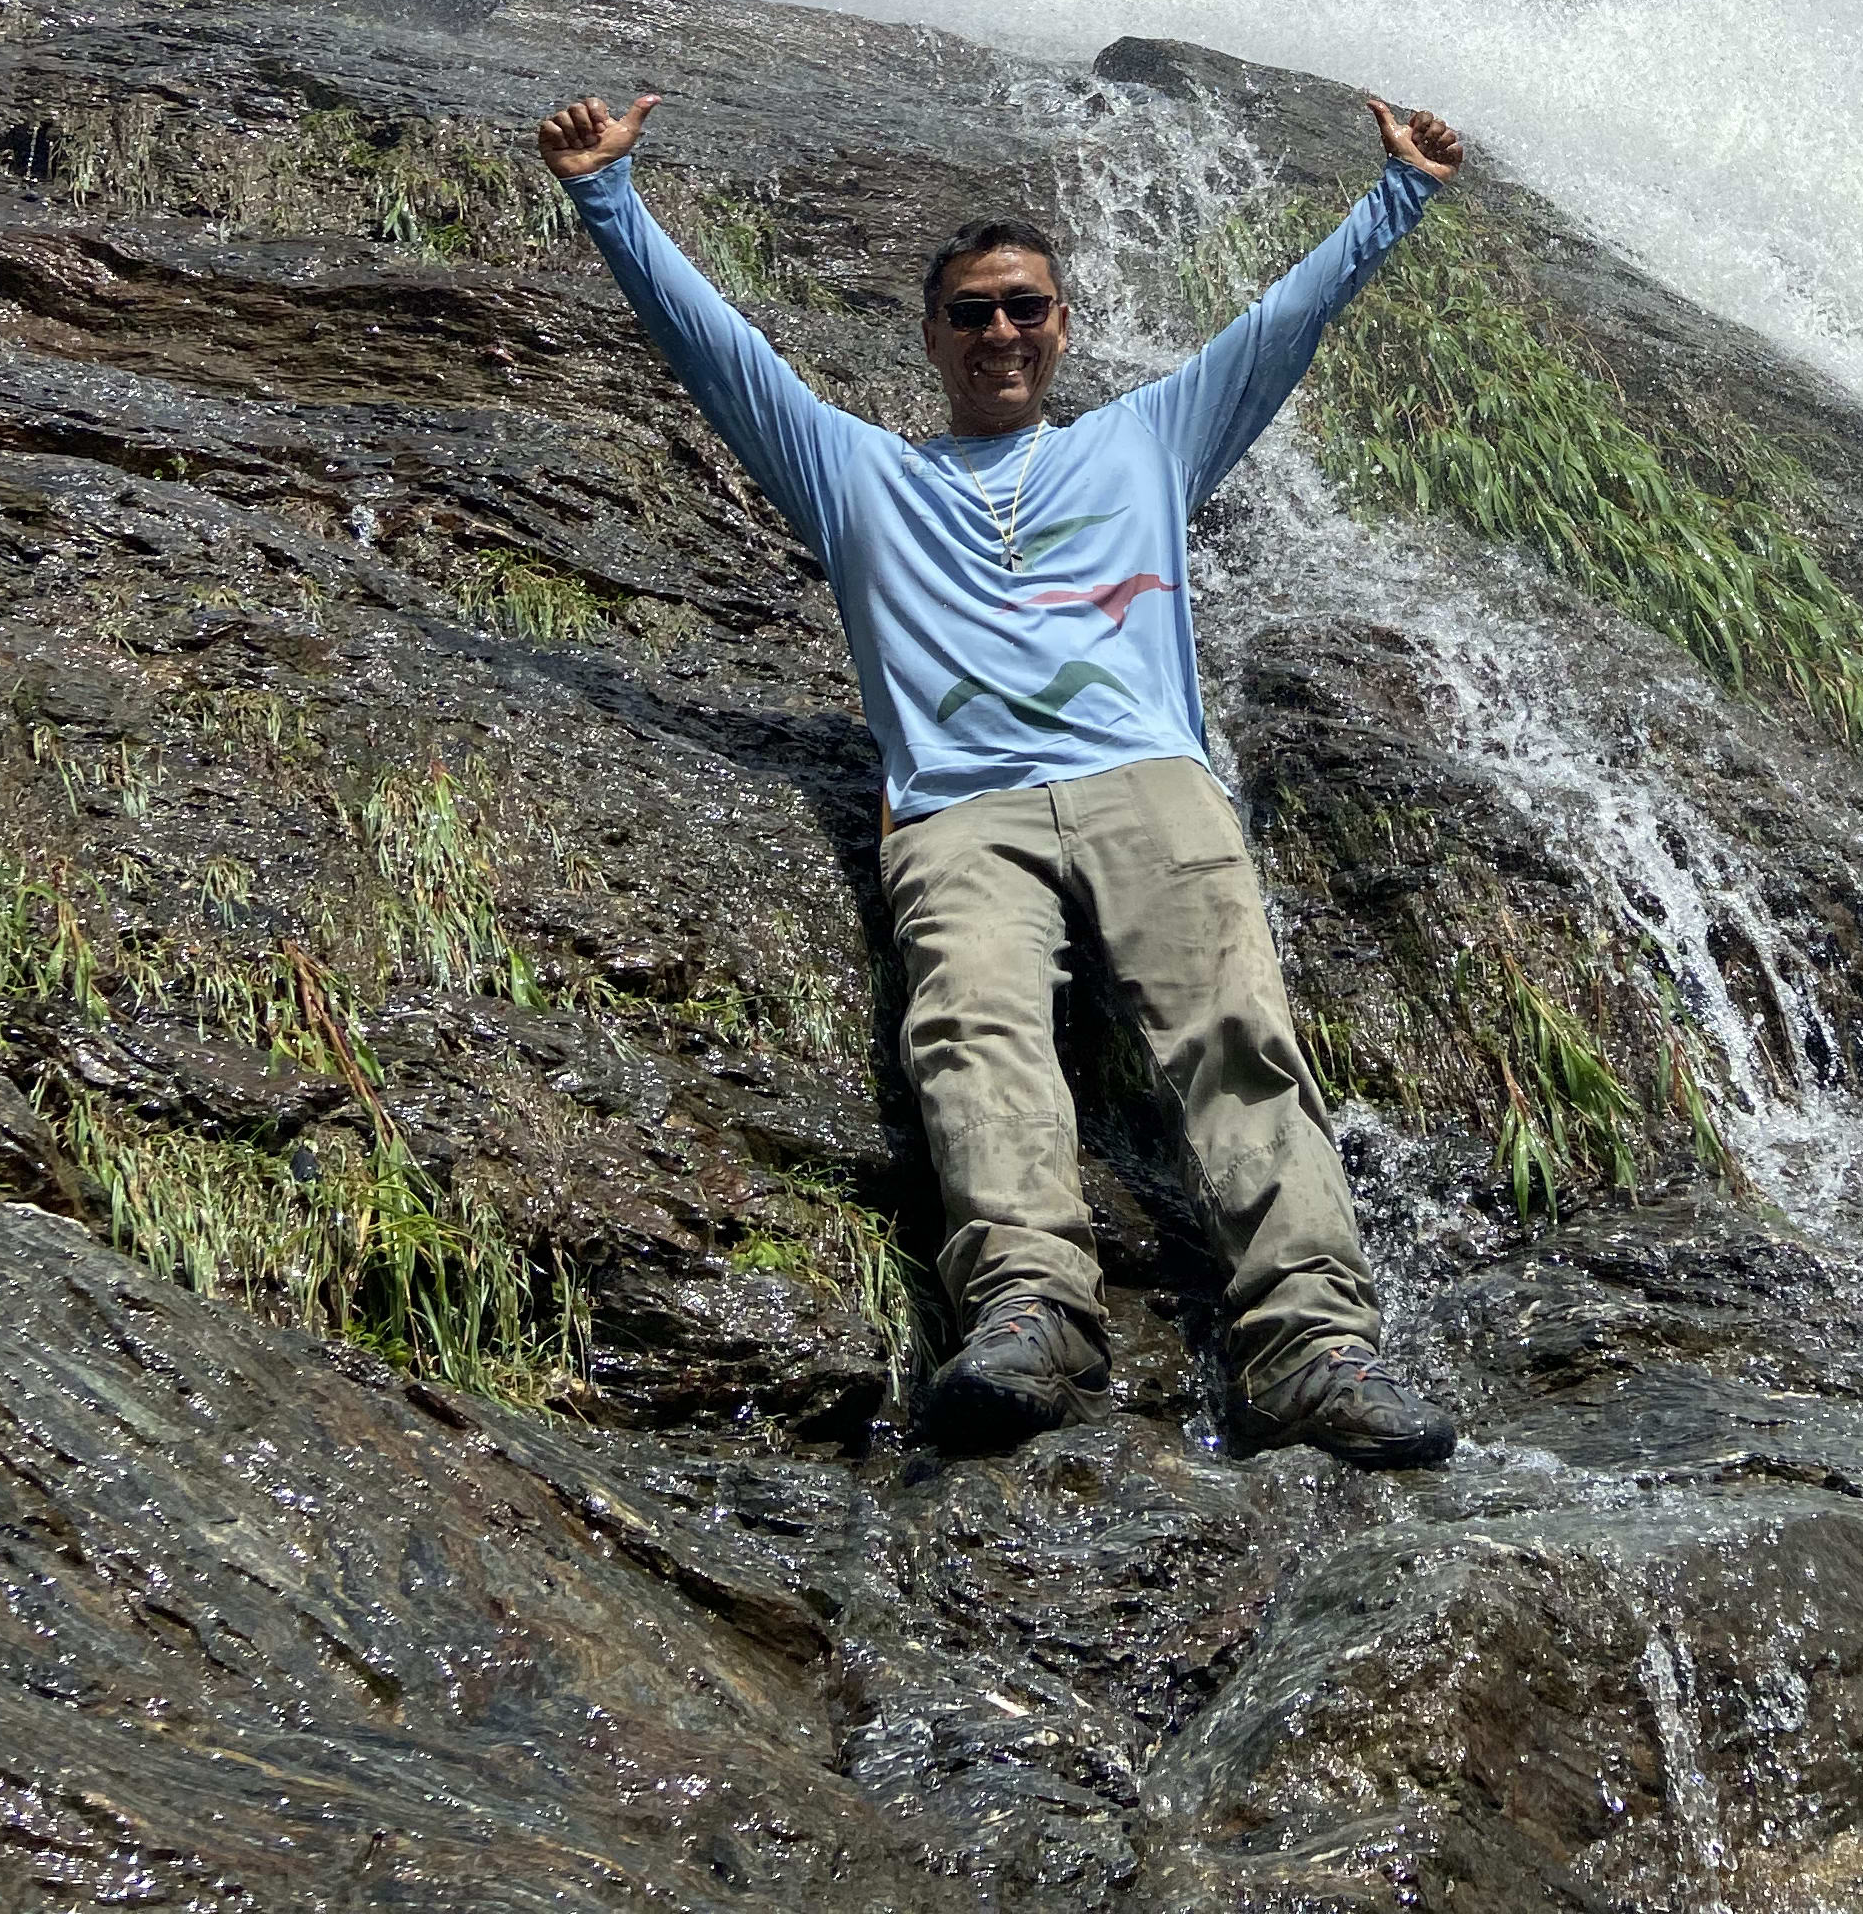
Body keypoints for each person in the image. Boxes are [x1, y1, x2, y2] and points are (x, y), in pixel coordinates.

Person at [534, 78, 1465, 1470]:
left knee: (1238, 1036)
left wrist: (1399, 194)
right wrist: (606, 195)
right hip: (960, 807)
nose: (1001, 332)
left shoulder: (1147, 437)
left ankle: (1312, 1347)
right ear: (932, 338)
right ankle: (1032, 1314)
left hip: (1148, 780)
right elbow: (719, 354)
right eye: (971, 314)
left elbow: (1284, 323)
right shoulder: (853, 471)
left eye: (1025, 307)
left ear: (1062, 325)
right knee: (974, 1035)